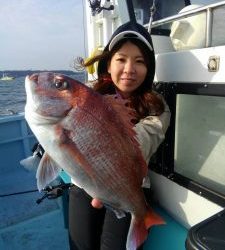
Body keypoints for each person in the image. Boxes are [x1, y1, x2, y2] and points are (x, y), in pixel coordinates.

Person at [68, 21, 171, 250]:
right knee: (80, 245)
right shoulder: (88, 95)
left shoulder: (157, 106)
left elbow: (143, 141)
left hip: (129, 187)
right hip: (84, 183)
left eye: (139, 61)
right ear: (109, 63)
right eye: (121, 59)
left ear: (149, 67)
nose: (129, 69)